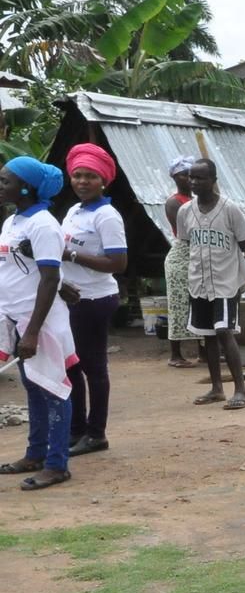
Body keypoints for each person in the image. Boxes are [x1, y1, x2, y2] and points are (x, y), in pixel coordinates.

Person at [0, 158, 76, 490]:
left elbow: (49, 278)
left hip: (40, 322)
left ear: (27, 188)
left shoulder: (43, 225)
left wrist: (31, 332)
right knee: (33, 386)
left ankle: (57, 464)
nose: (1, 186)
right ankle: (35, 453)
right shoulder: (13, 221)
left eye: (6, 182)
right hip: (17, 316)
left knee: (53, 389)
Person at [59, 142, 127, 457]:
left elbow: (118, 263)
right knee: (71, 367)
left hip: (95, 300)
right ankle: (76, 430)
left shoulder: (107, 216)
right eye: (77, 175)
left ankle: (96, 432)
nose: (82, 182)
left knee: (93, 368)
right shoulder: (74, 212)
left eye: (90, 176)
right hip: (69, 298)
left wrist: (71, 253)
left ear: (103, 181)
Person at [178, 158, 245, 410]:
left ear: (213, 181)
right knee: (207, 335)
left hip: (225, 281)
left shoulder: (229, 209)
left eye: (200, 178)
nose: (194, 182)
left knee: (224, 331)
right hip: (199, 280)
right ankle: (216, 388)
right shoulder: (185, 211)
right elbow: (187, 242)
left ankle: (241, 390)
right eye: (191, 177)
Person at [163, 155, 199, 368]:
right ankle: (175, 355)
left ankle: (204, 351)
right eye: (184, 175)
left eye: (191, 176)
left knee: (201, 303)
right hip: (182, 255)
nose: (189, 180)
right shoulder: (174, 202)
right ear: (175, 178)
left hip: (197, 254)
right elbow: (188, 230)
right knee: (178, 304)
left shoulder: (196, 201)